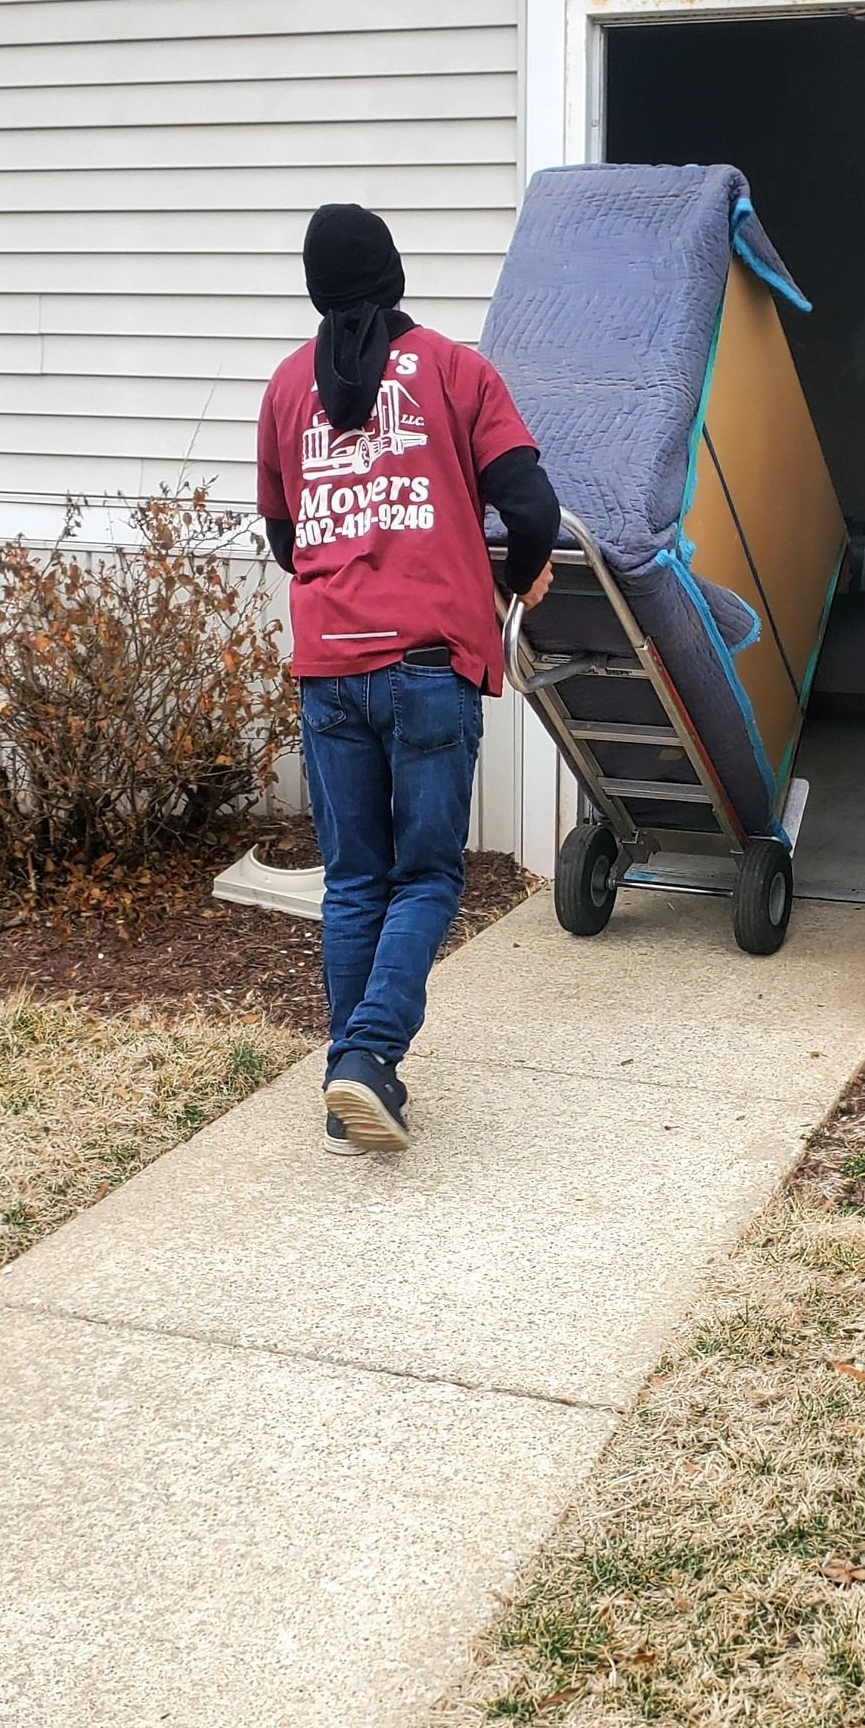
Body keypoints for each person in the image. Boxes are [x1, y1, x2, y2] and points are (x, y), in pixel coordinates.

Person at [257, 202, 560, 1154]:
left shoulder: (286, 388)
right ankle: (367, 1055)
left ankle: (349, 1089)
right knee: (425, 876)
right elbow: (532, 506)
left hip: (329, 667)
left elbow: (284, 538)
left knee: (354, 882)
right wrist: (520, 575)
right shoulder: (456, 371)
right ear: (393, 275)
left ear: (316, 288)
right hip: (429, 663)